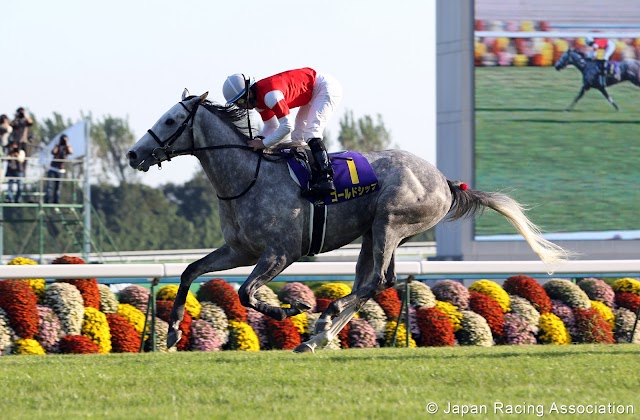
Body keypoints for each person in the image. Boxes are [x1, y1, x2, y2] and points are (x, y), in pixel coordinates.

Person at [222, 67, 342, 194]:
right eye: (237, 104)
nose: (241, 106)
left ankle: (326, 177)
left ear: (249, 93)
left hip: (324, 88)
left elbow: (286, 126)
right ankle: (311, 177)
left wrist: (263, 144)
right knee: (297, 137)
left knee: (311, 132)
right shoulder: (259, 103)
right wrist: (259, 139)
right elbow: (271, 126)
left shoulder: (270, 96)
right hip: (311, 93)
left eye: (241, 101)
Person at [45, 134, 73, 204]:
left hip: (61, 170)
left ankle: (56, 201)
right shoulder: (57, 146)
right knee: (50, 186)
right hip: (53, 168)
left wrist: (66, 144)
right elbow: (53, 152)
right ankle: (48, 200)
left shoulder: (66, 148)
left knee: (58, 187)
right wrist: (58, 145)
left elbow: (70, 152)